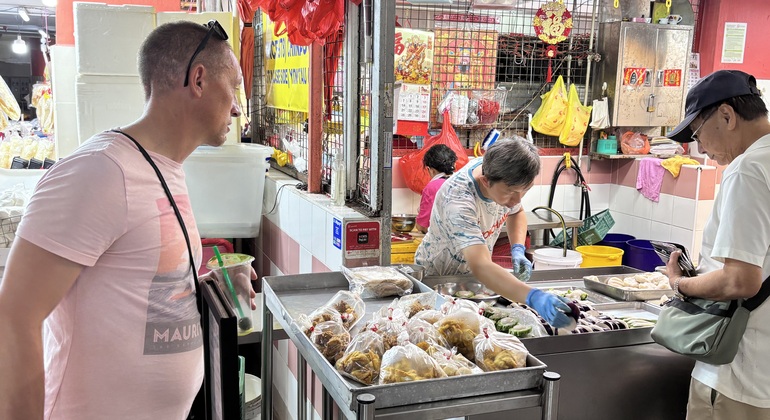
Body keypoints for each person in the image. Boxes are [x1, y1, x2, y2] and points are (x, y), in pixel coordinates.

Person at [0, 20, 253, 420]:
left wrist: (206, 286)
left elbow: (135, 283)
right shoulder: (100, 171)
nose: (238, 106)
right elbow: (13, 316)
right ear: (199, 80)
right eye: (235, 87)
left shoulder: (164, 166)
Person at [665, 69, 770, 418]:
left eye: (697, 134)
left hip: (738, 375)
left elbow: (739, 280)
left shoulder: (748, 170)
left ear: (726, 115)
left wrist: (681, 284)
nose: (701, 149)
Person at [414, 138, 573, 329]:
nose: (517, 200)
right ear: (485, 181)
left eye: (524, 191)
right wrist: (532, 296)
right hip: (439, 280)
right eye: (511, 192)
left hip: (474, 281)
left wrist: (518, 248)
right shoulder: (458, 200)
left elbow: (517, 213)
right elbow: (481, 266)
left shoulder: (502, 175)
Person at [415, 144, 457, 233]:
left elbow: (422, 226)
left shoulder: (432, 187)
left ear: (431, 170)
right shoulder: (462, 181)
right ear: (454, 165)